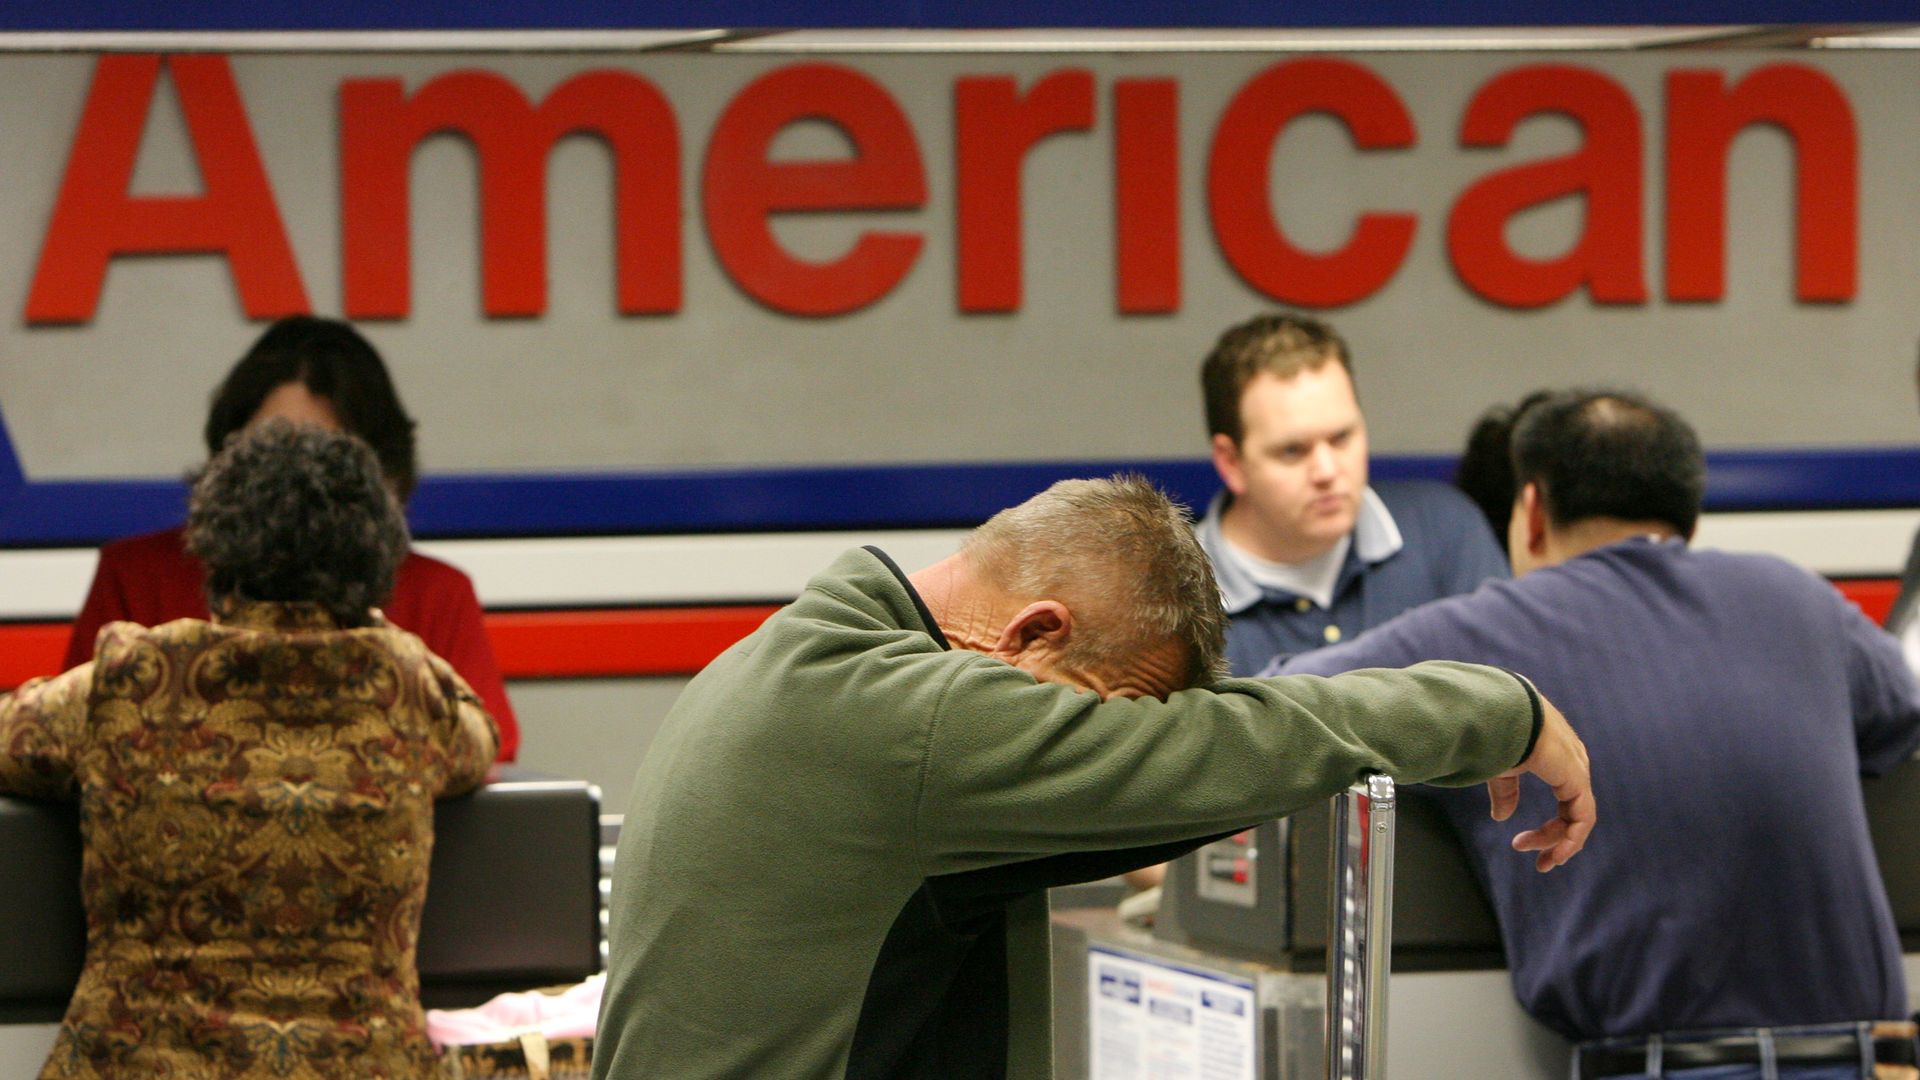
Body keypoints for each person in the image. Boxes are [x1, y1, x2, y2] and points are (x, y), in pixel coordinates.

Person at [591, 474, 1595, 1080]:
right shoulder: (920, 722)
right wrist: (1495, 711)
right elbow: (1216, 756)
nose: (1094, 756)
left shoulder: (799, 662)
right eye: (1102, 714)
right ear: (1035, 633)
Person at [1278, 390, 1920, 1079]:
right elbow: (1900, 718)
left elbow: (1284, 709)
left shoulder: (1478, 636)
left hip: (1659, 1066)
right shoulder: (1799, 598)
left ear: (1531, 512)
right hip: (1872, 1059)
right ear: (1688, 519)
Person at [0, 423, 498, 1079]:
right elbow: (478, 741)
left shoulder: (133, 675)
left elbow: (12, 737)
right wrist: (375, 631)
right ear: (378, 556)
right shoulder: (406, 687)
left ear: (215, 544)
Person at [62, 315, 520, 760]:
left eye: (324, 456)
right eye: (269, 448)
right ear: (224, 462)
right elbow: (66, 745)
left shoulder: (437, 594)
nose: (292, 478)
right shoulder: (136, 575)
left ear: (382, 478)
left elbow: (489, 764)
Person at [1197, 313, 1509, 675]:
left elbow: (1517, 699)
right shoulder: (1170, 597)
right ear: (1231, 462)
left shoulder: (1445, 529)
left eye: (1341, 438)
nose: (1327, 472)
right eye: (1293, 451)